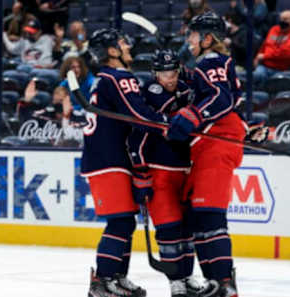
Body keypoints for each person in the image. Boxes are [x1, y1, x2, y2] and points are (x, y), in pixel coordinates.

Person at [166, 12, 269, 297]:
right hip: (210, 145)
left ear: (208, 38)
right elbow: (225, 99)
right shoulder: (206, 63)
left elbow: (220, 98)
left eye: (193, 34)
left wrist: (194, 114)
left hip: (216, 145)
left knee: (210, 217)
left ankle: (224, 283)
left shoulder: (211, 61)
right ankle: (215, 283)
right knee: (200, 218)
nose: (189, 39)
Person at [81, 28, 172, 297]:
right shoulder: (117, 76)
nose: (128, 46)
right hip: (109, 161)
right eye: (122, 43)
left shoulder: (105, 78)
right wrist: (167, 124)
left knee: (125, 222)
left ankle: (117, 278)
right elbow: (136, 114)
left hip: (109, 159)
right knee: (119, 224)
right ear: (111, 51)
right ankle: (102, 282)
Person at [128, 49, 212, 297]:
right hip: (160, 172)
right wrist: (140, 172)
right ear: (155, 74)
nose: (170, 77)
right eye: (165, 73)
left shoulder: (184, 88)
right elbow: (137, 139)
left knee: (187, 228)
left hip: (186, 170)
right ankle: (175, 279)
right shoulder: (150, 95)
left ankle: (187, 274)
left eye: (173, 72)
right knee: (168, 229)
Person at [252, 9, 290, 87]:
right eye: (281, 19)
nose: (282, 21)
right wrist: (257, 57)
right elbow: (265, 46)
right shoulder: (274, 29)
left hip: (283, 70)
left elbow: (287, 53)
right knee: (255, 76)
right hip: (265, 67)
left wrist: (265, 55)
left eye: (285, 19)